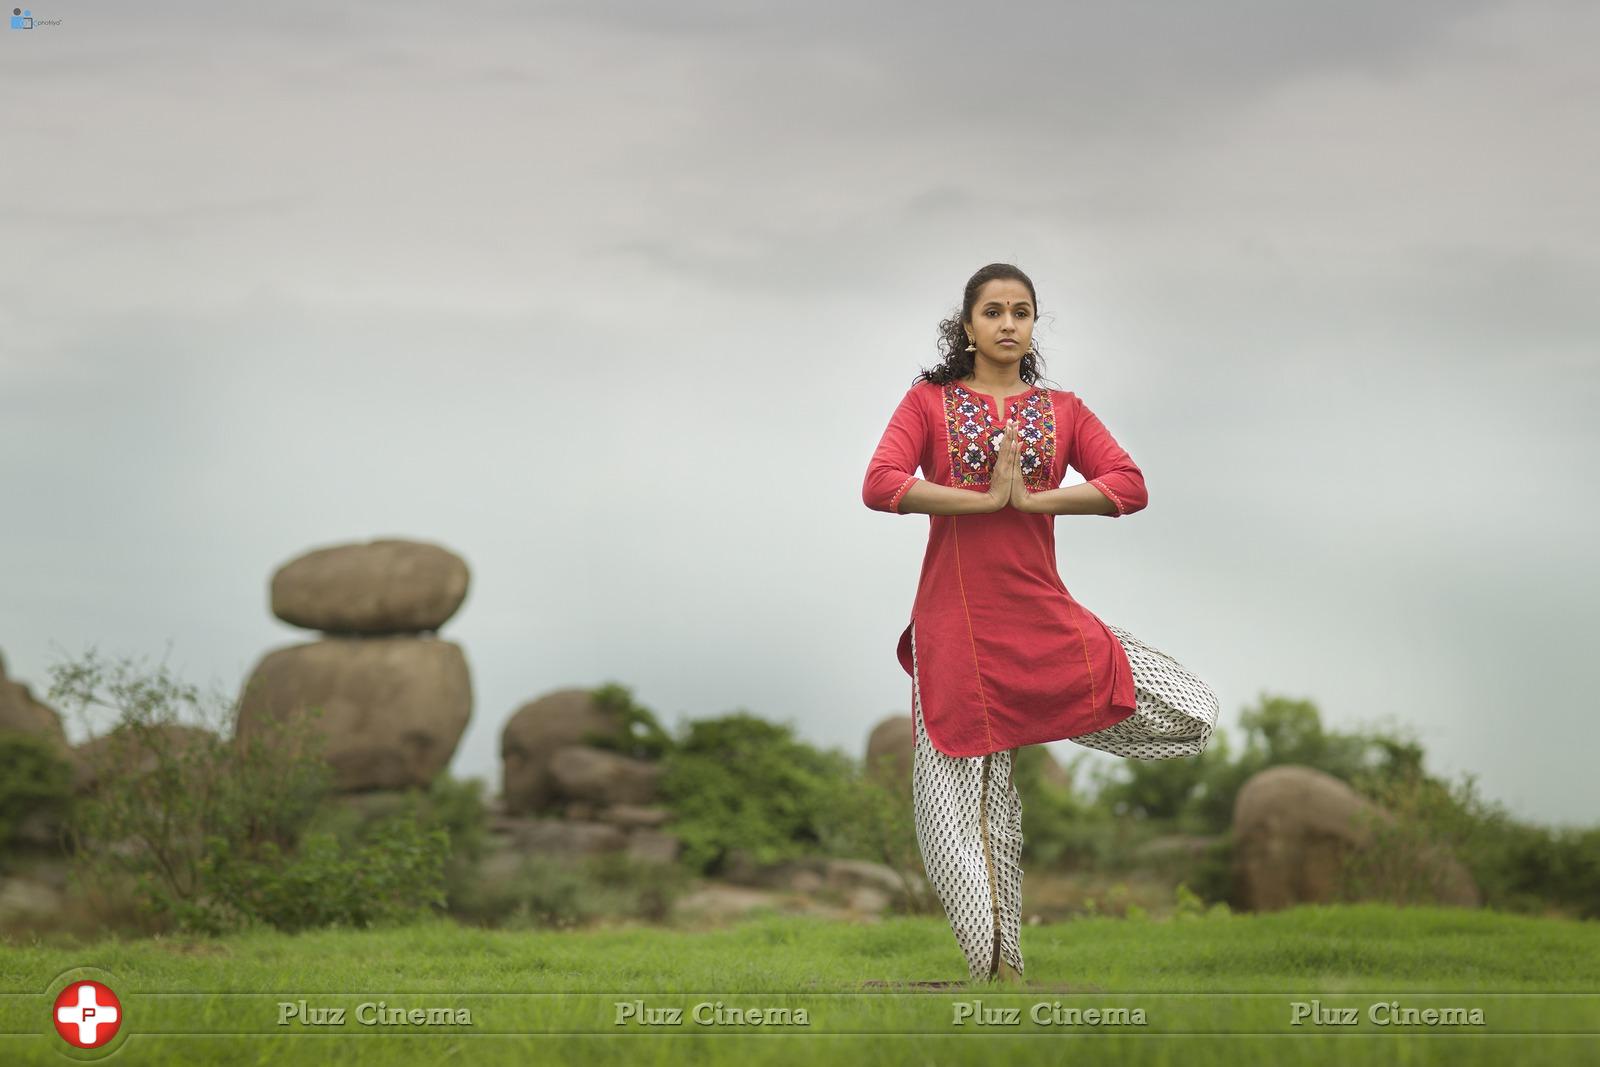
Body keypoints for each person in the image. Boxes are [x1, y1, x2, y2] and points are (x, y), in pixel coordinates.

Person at [862, 262, 1218, 986]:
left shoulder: (1064, 410)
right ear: (967, 326)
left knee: (1193, 707)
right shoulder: (929, 402)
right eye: (992, 311)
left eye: (1020, 311)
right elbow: (881, 483)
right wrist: (982, 501)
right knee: (958, 808)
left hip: (1042, 617)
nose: (1007, 323)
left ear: (1032, 325)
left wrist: (1033, 502)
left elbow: (1129, 484)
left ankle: (1048, 711)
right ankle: (997, 969)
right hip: (954, 624)